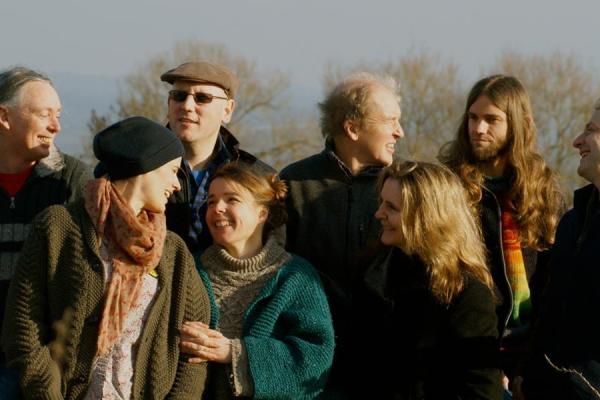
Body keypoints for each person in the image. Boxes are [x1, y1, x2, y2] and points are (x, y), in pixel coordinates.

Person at [2, 116, 210, 399]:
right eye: (172, 171)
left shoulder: (172, 251)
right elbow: (23, 327)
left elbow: (194, 349)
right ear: (145, 165)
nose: (176, 185)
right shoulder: (59, 227)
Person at [279, 72, 403, 395]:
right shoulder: (292, 183)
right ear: (352, 128)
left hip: (388, 366)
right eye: (390, 121)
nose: (399, 132)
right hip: (309, 364)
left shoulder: (406, 187)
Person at [438, 75, 563, 389]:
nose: (478, 129)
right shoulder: (447, 187)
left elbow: (553, 284)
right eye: (473, 118)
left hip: (530, 355)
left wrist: (530, 365)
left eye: (491, 120)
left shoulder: (543, 192)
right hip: (465, 352)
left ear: (517, 124)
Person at [179, 162, 334, 399]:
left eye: (231, 199)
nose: (217, 208)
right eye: (211, 201)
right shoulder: (189, 269)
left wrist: (234, 353)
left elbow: (315, 358)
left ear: (262, 213)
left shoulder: (297, 276)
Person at [359, 160, 501, 399]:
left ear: (425, 217)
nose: (378, 213)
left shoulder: (466, 292)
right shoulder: (373, 271)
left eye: (391, 207)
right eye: (381, 202)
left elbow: (482, 388)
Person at [0, 66, 89, 396]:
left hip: (45, 363)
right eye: (43, 114)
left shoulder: (72, 181)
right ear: (4, 117)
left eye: (58, 114)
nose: (56, 126)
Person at [518, 98, 600, 399]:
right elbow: (550, 312)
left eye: (591, 130)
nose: (577, 141)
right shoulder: (571, 223)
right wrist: (528, 376)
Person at [160, 61, 274, 253]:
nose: (187, 106)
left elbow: (274, 253)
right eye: (179, 96)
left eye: (202, 98)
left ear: (227, 110)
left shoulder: (258, 178)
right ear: (169, 103)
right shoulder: (139, 170)